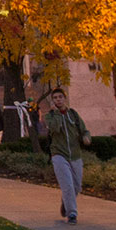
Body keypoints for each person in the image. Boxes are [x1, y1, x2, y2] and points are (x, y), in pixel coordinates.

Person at [42, 88, 93, 223]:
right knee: (67, 185)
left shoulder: (73, 115)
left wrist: (86, 138)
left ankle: (66, 203)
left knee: (77, 186)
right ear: (53, 101)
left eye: (60, 97)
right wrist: (58, 113)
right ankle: (72, 214)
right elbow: (55, 128)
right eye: (55, 98)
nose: (58, 100)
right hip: (59, 154)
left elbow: (84, 130)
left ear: (65, 98)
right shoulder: (50, 116)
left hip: (75, 155)